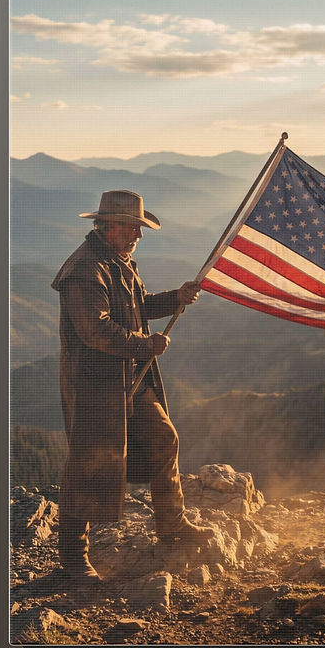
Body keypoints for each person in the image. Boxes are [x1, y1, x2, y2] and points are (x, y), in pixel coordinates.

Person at [51, 189, 213, 581]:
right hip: (95, 387)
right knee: (88, 465)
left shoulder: (117, 262)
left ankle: (172, 525)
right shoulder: (85, 270)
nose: (138, 235)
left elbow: (139, 306)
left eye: (138, 228)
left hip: (127, 378)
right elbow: (95, 331)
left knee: (163, 438)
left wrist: (176, 298)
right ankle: (74, 558)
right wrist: (146, 345)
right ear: (107, 226)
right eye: (130, 227)